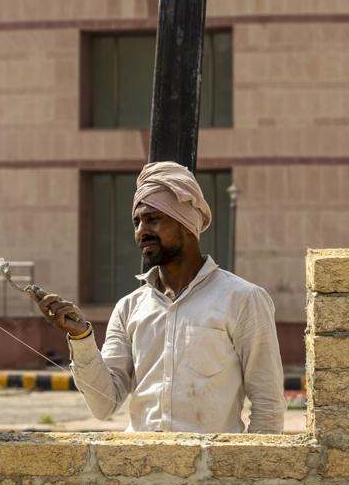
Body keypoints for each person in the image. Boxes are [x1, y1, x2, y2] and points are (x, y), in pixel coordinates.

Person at [38, 161, 285, 433]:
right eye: (137, 222)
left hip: (211, 471)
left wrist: (248, 471)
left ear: (187, 225)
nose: (142, 232)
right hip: (141, 471)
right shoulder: (129, 307)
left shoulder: (242, 299)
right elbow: (103, 405)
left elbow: (268, 404)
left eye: (153, 219)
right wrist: (81, 338)